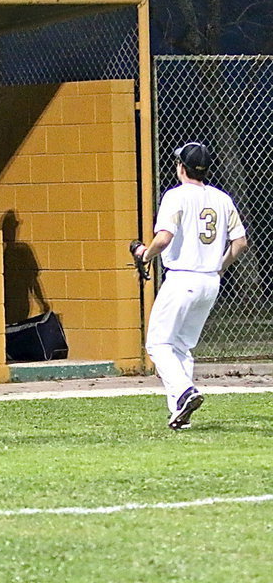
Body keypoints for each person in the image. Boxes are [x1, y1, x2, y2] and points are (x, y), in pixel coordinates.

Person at [135, 142, 247, 430]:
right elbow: (240, 243)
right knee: (182, 346)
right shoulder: (222, 198)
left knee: (158, 343)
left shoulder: (176, 196)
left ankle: (185, 391)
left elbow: (164, 238)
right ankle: (179, 413)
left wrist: (145, 254)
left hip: (183, 278)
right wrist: (218, 268)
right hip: (210, 281)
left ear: (181, 166)